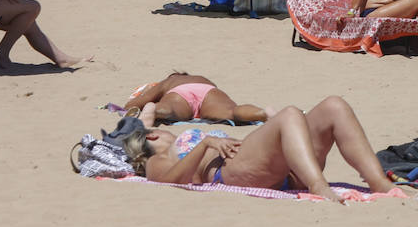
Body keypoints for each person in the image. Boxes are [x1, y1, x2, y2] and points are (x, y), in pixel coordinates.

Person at [122, 95, 397, 203]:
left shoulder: (164, 142)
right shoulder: (154, 159)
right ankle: (317, 185)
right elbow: (171, 181)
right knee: (289, 114)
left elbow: (144, 117)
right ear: (154, 136)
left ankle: (378, 182)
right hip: (233, 170)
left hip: (272, 167)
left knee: (333, 106)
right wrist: (205, 142)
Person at [124, 73, 271, 125]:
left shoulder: (170, 81)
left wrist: (149, 94)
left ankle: (154, 110)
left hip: (179, 94)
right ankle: (263, 113)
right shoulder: (202, 78)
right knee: (232, 112)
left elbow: (133, 104)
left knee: (168, 110)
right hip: (209, 91)